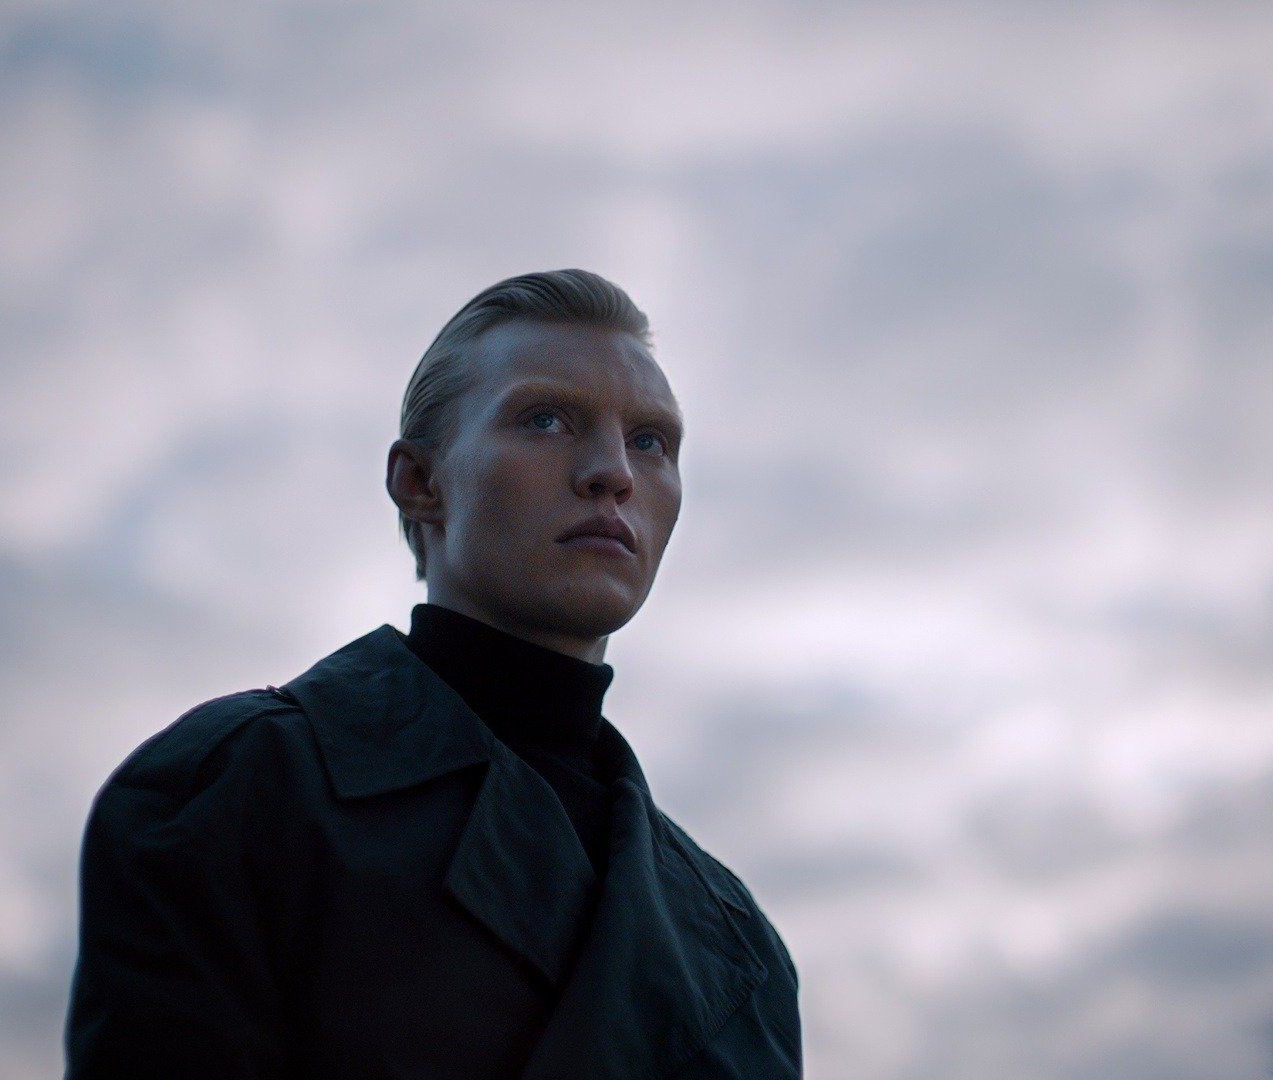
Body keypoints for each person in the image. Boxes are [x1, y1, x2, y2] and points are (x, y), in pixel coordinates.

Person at [64, 269, 802, 1077]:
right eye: (546, 419)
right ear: (420, 483)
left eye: (651, 441)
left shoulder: (743, 951)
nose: (613, 471)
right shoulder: (233, 789)